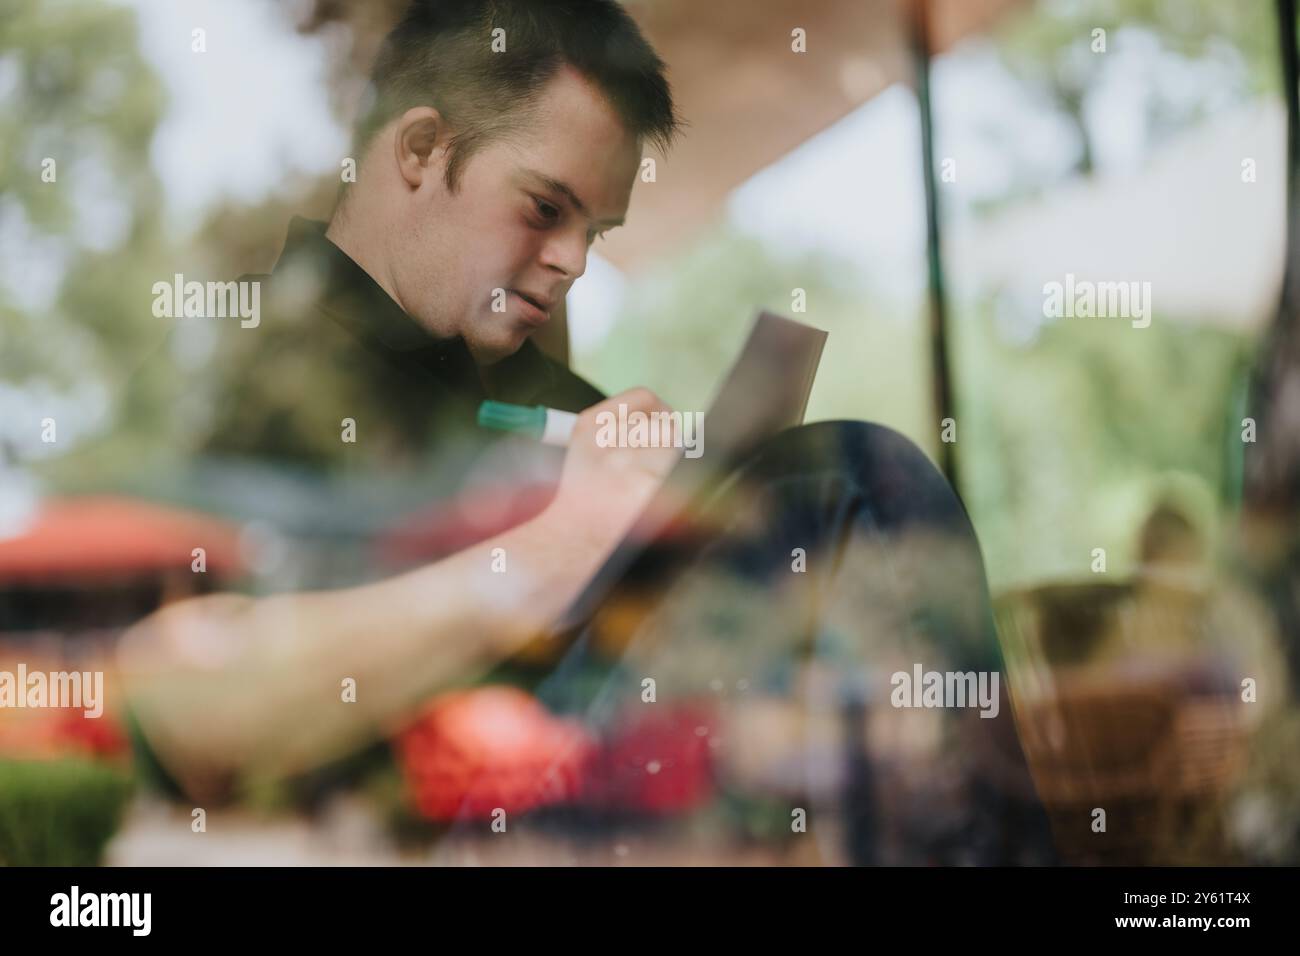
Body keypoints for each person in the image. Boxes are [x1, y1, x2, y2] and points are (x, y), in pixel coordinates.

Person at [114, 0, 1055, 862]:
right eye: (543, 208)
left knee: (836, 493)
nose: (571, 263)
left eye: (594, 232)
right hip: (439, 820)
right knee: (854, 471)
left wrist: (688, 513)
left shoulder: (523, 380)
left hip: (606, 777)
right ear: (420, 151)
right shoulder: (260, 363)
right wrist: (552, 552)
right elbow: (179, 706)